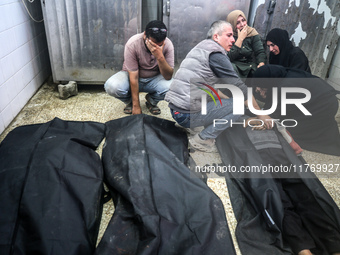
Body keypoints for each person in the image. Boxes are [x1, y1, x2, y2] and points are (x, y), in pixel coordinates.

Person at [164, 20, 272, 152]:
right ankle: (203, 139)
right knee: (238, 105)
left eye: (233, 36)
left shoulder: (202, 47)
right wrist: (259, 113)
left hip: (176, 109)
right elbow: (239, 87)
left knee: (229, 102)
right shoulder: (216, 55)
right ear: (216, 36)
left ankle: (192, 124)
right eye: (229, 35)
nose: (233, 40)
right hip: (185, 114)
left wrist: (226, 102)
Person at [252, 64, 340, 156]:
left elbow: (271, 115)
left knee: (288, 129)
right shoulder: (281, 75)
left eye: (262, 89)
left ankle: (328, 142)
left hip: (324, 106)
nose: (260, 92)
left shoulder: (286, 86)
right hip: (322, 100)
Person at [104, 20, 174, 115]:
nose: (155, 48)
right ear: (145, 35)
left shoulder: (168, 44)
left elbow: (168, 77)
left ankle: (151, 100)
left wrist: (160, 56)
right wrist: (136, 106)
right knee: (112, 86)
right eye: (153, 44)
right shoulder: (133, 43)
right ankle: (130, 101)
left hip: (154, 79)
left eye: (160, 45)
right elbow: (134, 76)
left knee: (174, 88)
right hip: (131, 76)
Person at [226, 10, 266, 78]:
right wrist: (240, 39)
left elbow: (259, 51)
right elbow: (229, 57)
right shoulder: (229, 35)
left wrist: (261, 63)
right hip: (235, 66)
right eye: (238, 23)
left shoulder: (252, 32)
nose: (242, 24)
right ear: (232, 24)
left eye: (243, 20)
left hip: (249, 65)